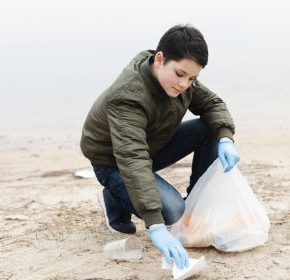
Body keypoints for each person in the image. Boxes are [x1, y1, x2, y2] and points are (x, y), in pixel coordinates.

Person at [80, 24, 240, 269]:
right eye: (180, 74)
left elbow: (213, 105)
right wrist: (155, 225)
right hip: (113, 159)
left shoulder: (181, 79)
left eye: (192, 78)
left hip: (151, 144)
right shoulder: (128, 97)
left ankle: (195, 208)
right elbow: (133, 159)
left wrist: (226, 139)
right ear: (160, 59)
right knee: (172, 211)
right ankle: (113, 195)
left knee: (212, 129)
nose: (184, 84)